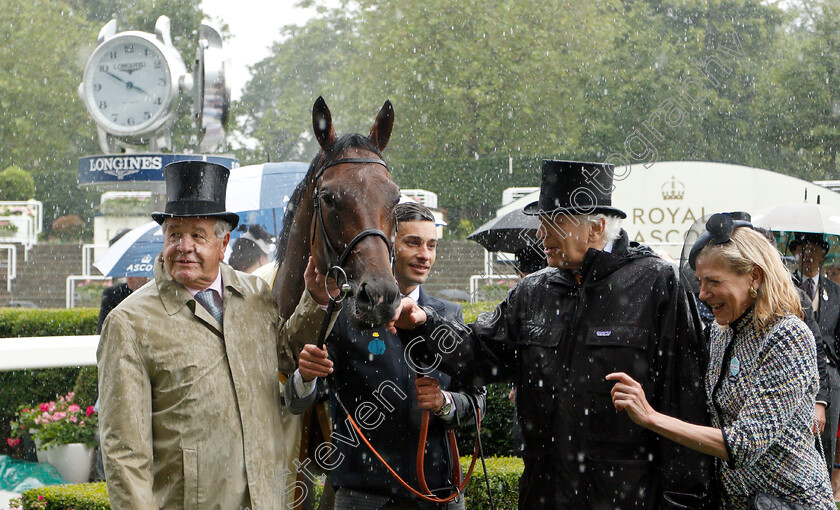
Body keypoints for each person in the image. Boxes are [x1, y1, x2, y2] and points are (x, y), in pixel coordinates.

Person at [391, 160, 714, 508]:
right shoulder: (533, 292)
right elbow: (477, 354)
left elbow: (686, 402)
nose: (540, 235)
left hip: (627, 499)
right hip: (545, 496)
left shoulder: (656, 284)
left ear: (596, 227)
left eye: (553, 223)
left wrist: (682, 502)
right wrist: (424, 324)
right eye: (541, 223)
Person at [97, 161, 338, 510]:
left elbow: (287, 356)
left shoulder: (255, 295)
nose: (184, 246)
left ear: (223, 243)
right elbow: (124, 453)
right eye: (174, 234)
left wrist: (315, 299)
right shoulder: (130, 323)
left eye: (198, 235)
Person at [607, 213, 834, 509]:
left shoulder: (787, 336)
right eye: (700, 281)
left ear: (754, 276)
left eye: (713, 281)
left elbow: (743, 444)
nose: (702, 294)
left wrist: (651, 417)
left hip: (792, 503)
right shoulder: (721, 332)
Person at [287, 201, 486, 510]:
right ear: (388, 245)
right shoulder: (346, 315)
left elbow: (477, 400)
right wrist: (306, 376)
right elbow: (297, 401)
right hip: (364, 496)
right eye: (413, 243)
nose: (425, 255)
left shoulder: (449, 315)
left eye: (431, 245)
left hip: (439, 494)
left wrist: (445, 403)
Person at [789, 232, 840, 477]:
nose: (807, 255)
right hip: (796, 372)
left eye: (813, 250)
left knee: (826, 442)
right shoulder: (788, 288)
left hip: (829, 373)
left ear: (822, 255)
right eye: (802, 250)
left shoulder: (836, 293)